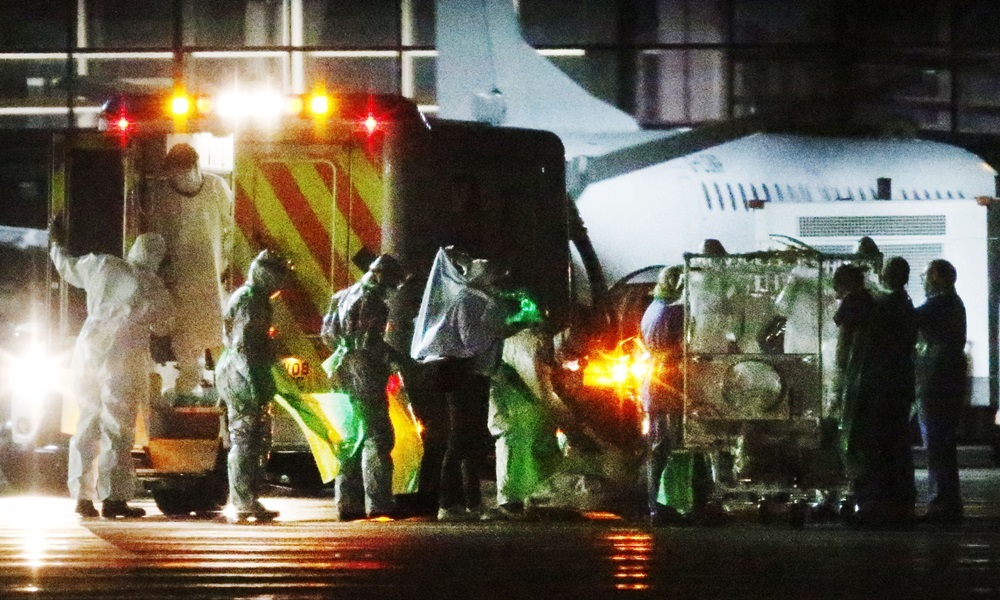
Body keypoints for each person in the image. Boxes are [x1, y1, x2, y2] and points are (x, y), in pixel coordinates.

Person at [49, 223, 173, 519]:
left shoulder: (103, 265)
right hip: (123, 356)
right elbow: (166, 324)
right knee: (117, 428)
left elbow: (67, 267)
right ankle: (114, 498)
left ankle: (82, 497)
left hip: (88, 349)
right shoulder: (152, 286)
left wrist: (55, 243)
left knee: (86, 422)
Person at [410, 247, 511, 522]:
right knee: (459, 438)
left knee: (470, 439)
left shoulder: (477, 298)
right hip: (463, 375)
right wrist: (495, 329)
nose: (498, 281)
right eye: (493, 276)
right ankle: (448, 502)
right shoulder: (468, 300)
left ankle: (470, 501)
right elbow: (472, 342)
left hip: (472, 374)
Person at [146, 143, 234, 403]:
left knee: (220, 344)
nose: (177, 177)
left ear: (195, 166)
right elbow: (156, 236)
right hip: (180, 285)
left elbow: (231, 227)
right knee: (187, 346)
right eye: (173, 171)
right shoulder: (162, 195)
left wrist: (228, 263)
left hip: (214, 283)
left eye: (181, 170)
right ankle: (187, 395)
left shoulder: (217, 188)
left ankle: (227, 396)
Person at [321, 254, 405, 521]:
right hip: (365, 369)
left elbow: (327, 335)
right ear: (381, 275)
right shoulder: (374, 302)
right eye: (391, 283)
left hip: (341, 367)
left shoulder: (341, 296)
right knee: (376, 436)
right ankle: (378, 503)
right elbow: (371, 341)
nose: (391, 289)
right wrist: (396, 358)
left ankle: (347, 503)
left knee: (350, 436)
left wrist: (344, 350)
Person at [216, 250, 290, 524]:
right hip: (240, 373)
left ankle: (247, 498)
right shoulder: (250, 300)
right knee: (245, 439)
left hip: (241, 372)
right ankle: (243, 500)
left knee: (251, 439)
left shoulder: (254, 298)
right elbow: (244, 344)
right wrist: (253, 380)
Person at [863, 256, 918, 526]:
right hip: (900, 381)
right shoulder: (903, 303)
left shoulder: (890, 304)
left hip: (888, 383)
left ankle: (889, 501)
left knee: (886, 442)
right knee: (897, 442)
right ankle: (901, 500)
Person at [915, 259, 967, 524]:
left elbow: (908, 321)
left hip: (937, 381)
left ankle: (942, 504)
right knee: (942, 443)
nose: (922, 280)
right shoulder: (953, 304)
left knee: (936, 443)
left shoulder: (939, 304)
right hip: (948, 379)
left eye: (924, 275)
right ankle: (947, 501)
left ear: (935, 276)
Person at [831, 263, 881, 524]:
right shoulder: (874, 301)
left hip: (858, 379)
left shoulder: (853, 304)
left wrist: (837, 375)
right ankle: (870, 499)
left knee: (853, 440)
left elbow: (843, 344)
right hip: (874, 379)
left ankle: (862, 500)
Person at [639, 265, 686, 523]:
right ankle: (662, 504)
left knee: (659, 447)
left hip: (655, 384)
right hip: (667, 385)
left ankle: (656, 502)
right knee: (668, 446)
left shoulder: (654, 308)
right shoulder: (671, 312)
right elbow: (676, 349)